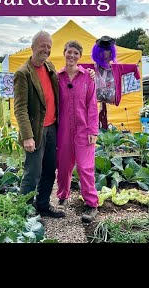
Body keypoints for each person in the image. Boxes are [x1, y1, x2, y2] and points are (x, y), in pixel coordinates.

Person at [13, 30, 65, 218]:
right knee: (32, 173)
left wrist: (90, 73)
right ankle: (23, 213)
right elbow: (20, 108)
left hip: (52, 128)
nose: (46, 49)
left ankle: (42, 204)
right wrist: (27, 136)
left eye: (49, 46)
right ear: (33, 47)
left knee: (50, 170)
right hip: (35, 131)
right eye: (43, 45)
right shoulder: (23, 73)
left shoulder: (49, 66)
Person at [56, 40, 99, 223]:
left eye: (76, 53)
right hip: (63, 129)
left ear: (80, 57)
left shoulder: (88, 77)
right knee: (64, 166)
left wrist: (93, 129)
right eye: (69, 52)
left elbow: (92, 104)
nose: (72, 56)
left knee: (85, 167)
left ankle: (91, 204)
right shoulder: (57, 77)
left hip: (84, 129)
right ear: (64, 53)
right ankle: (62, 196)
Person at [80, 36, 141, 129]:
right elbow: (76, 68)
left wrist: (137, 74)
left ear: (111, 52)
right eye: (102, 51)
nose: (105, 54)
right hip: (94, 100)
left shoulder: (117, 68)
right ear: (97, 52)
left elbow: (133, 67)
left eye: (107, 50)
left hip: (110, 98)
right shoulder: (91, 67)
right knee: (95, 121)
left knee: (103, 120)